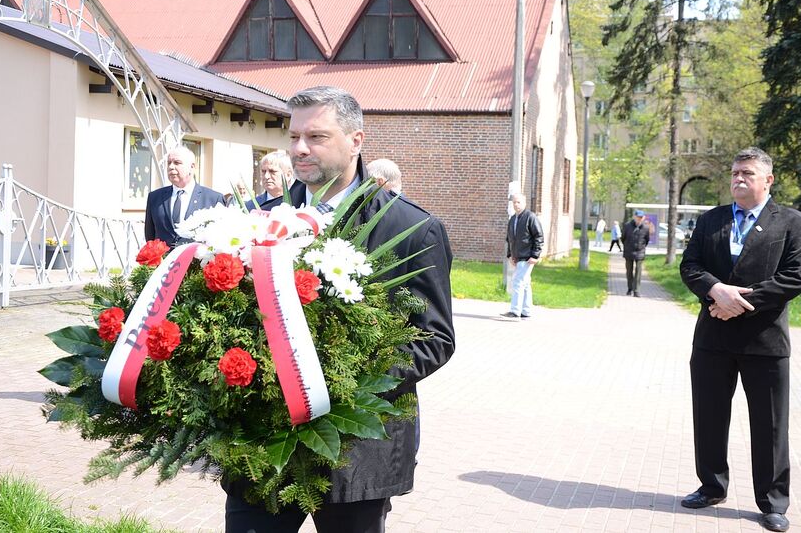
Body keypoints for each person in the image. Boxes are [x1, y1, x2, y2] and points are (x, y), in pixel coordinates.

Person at [223, 86, 456, 532]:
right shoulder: (256, 220)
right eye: (293, 137)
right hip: (261, 443)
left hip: (356, 449)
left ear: (356, 140)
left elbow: (435, 340)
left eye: (316, 137)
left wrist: (331, 380)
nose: (299, 149)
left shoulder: (411, 229)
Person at [679, 147, 801, 533]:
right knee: (709, 416)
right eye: (735, 172)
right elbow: (691, 265)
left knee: (769, 425)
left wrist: (735, 301)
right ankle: (711, 486)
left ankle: (772, 502)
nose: (738, 178)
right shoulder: (711, 220)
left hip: (764, 341)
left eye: (747, 173)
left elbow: (793, 278)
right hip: (712, 338)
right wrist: (715, 290)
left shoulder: (792, 223)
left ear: (768, 180)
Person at [144, 146, 224, 246]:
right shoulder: (155, 197)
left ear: (192, 166)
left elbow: (219, 238)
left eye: (177, 163)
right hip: (164, 260)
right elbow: (150, 238)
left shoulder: (213, 199)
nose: (171, 167)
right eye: (169, 163)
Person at [501, 193, 543, 320]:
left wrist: (535, 255)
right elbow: (510, 239)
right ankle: (526, 311)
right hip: (518, 257)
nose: (516, 204)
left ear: (524, 203)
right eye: (514, 202)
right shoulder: (513, 219)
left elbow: (538, 237)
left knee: (517, 282)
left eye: (518, 202)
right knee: (524, 283)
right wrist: (511, 255)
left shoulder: (530, 217)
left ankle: (515, 311)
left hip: (528, 256)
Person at [621, 210, 649, 296]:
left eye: (641, 217)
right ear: (635, 217)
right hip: (629, 252)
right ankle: (630, 288)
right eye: (638, 217)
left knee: (638, 271)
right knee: (629, 271)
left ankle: (636, 290)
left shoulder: (645, 228)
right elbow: (623, 238)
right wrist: (627, 246)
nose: (639, 219)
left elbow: (646, 240)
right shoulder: (627, 226)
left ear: (643, 218)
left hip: (639, 252)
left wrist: (641, 247)